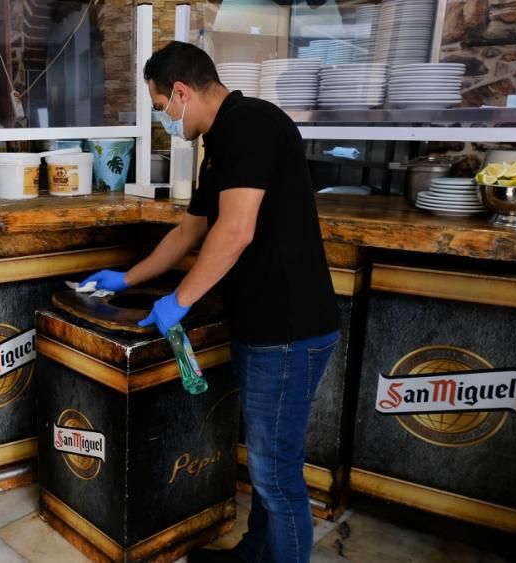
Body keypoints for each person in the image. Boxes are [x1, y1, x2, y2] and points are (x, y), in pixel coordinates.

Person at [82, 41, 340, 563]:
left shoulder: (250, 124)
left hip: (288, 330)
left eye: (161, 109)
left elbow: (237, 230)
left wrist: (179, 300)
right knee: (268, 464)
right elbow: (189, 232)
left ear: (180, 92)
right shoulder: (220, 143)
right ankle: (254, 555)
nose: (165, 122)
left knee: (276, 474)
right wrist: (125, 278)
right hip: (263, 326)